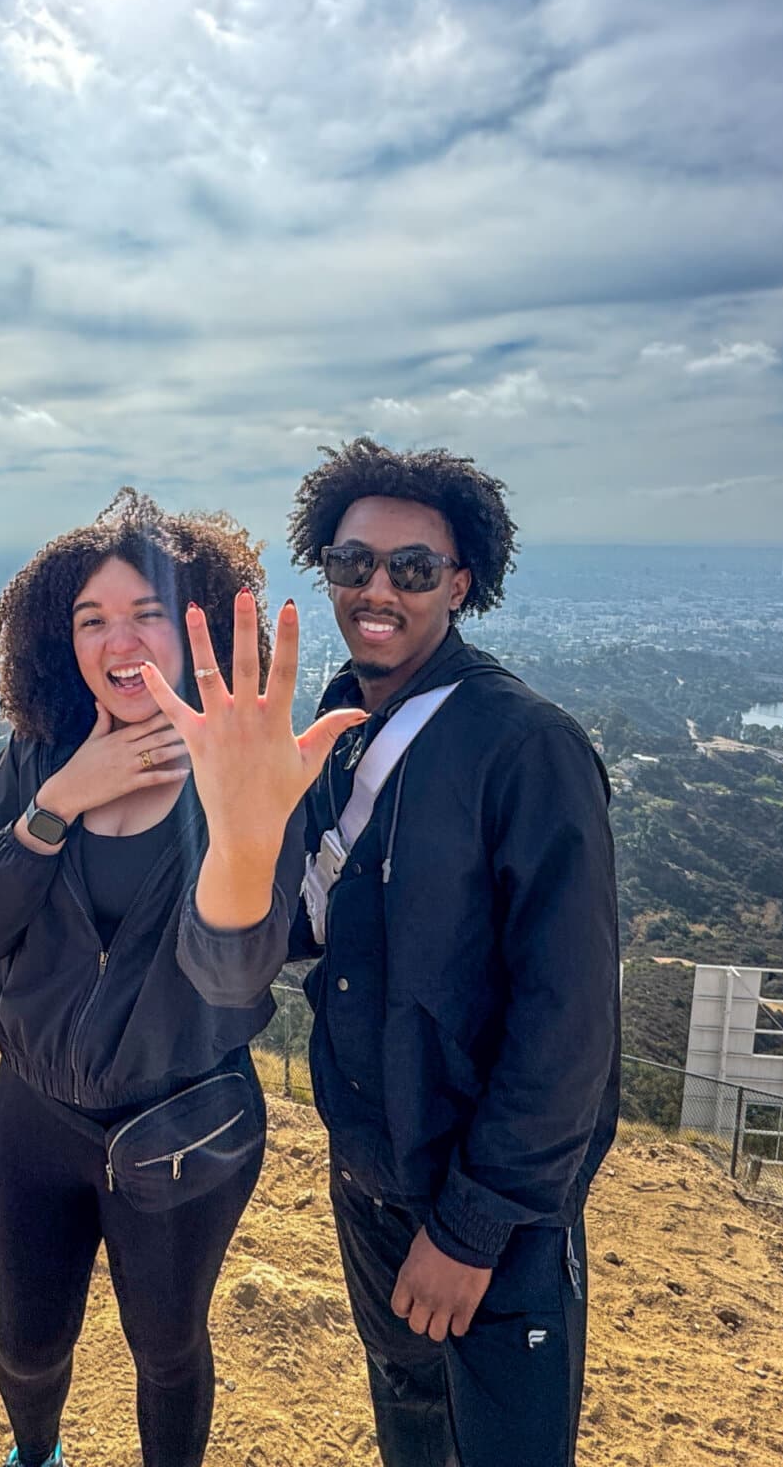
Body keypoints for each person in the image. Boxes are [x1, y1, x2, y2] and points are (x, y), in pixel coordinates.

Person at [155, 438, 620, 1467]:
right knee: (409, 1432)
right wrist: (236, 834)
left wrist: (471, 1229)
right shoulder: (328, 732)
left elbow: (569, 1025)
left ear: (459, 585)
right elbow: (265, 957)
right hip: (368, 1182)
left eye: (411, 569)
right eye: (351, 563)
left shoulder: (522, 748)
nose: (378, 589)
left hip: (492, 1219)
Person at [0, 489, 361, 1467]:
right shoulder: (38, 755)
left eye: (145, 613)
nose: (116, 637)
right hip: (32, 1115)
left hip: (187, 1126)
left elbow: (231, 980)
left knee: (166, 1350)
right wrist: (53, 805)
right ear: (60, 637)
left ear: (196, 629)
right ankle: (33, 1454)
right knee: (26, 1348)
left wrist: (245, 842)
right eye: (91, 618)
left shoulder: (243, 774)